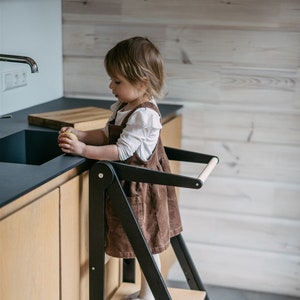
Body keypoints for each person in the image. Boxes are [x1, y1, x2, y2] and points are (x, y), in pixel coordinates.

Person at [58, 36, 182, 300]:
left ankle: (148, 296)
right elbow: (106, 135)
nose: (110, 85)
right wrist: (79, 135)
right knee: (139, 244)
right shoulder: (126, 107)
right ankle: (144, 292)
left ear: (142, 82)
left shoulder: (145, 115)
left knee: (145, 247)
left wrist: (83, 151)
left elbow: (121, 151)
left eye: (117, 81)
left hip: (139, 191)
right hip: (125, 186)